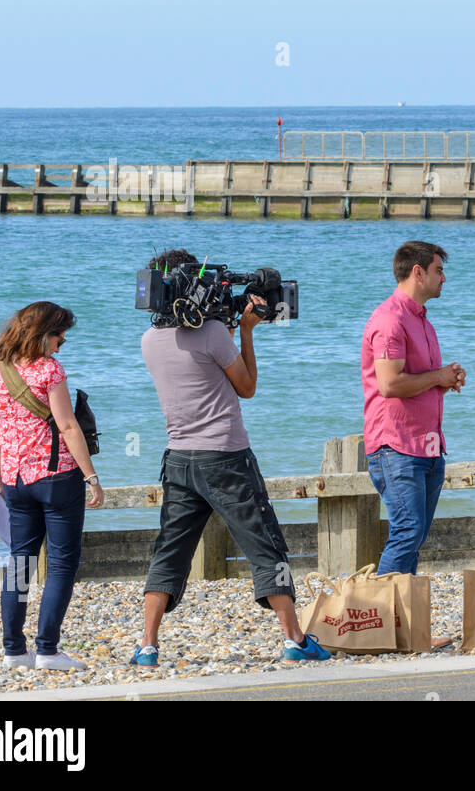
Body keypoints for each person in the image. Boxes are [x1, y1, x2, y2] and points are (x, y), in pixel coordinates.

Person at [133, 249, 329, 667]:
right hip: (225, 455)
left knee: (170, 549)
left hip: (178, 458)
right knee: (264, 543)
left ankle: (147, 645)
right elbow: (247, 386)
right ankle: (294, 638)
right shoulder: (214, 335)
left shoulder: (149, 340)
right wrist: (247, 329)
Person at [0, 302, 105, 672]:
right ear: (41, 334)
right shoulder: (49, 370)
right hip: (57, 478)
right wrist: (91, 477)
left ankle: (14, 652)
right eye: (59, 336)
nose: (61, 344)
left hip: (16, 481)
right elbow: (67, 426)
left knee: (19, 563)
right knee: (63, 563)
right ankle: (48, 650)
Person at [362, 241, 464, 580]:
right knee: (407, 532)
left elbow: (419, 379)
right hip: (396, 446)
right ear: (418, 273)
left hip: (429, 446)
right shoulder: (390, 320)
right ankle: (381, 624)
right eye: (439, 270)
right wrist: (438, 376)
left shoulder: (422, 321)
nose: (444, 278)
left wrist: (446, 379)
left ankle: (407, 630)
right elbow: (390, 385)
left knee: (414, 537)